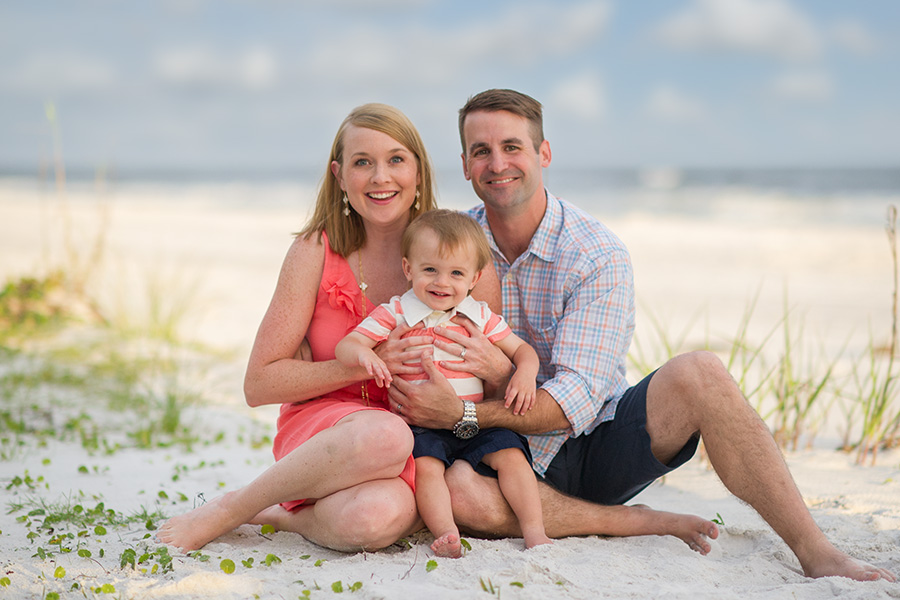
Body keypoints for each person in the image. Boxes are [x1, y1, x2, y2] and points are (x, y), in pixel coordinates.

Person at [387, 88, 897, 582]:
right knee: (460, 494)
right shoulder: (448, 246)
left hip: (593, 442)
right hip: (499, 454)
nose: (497, 164)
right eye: (482, 151)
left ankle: (815, 549)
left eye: (512, 147)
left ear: (543, 152)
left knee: (702, 372)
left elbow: (574, 403)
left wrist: (464, 411)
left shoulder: (595, 254)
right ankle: (629, 523)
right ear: (464, 164)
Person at [157, 103, 468, 552]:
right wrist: (361, 368)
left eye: (396, 159)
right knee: (383, 435)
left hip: (414, 444)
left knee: (372, 521)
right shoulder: (314, 252)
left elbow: (489, 362)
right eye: (363, 162)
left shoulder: (452, 259)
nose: (381, 176)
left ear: (419, 170)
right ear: (340, 176)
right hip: (327, 431)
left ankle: (285, 517)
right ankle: (234, 507)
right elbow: (259, 384)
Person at [336, 209, 551, 558]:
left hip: (475, 419)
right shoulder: (397, 312)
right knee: (427, 470)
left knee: (512, 456)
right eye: (430, 270)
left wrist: (526, 373)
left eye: (456, 273)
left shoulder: (478, 314)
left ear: (474, 278)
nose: (442, 282)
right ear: (409, 269)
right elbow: (347, 345)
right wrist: (367, 356)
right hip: (422, 425)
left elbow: (522, 350)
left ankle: (534, 531)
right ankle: (446, 533)